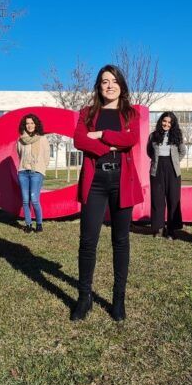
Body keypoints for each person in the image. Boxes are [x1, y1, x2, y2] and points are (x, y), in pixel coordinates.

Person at [71, 64, 143, 322]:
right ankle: (84, 298)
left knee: (120, 241)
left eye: (113, 81)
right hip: (96, 181)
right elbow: (79, 140)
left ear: (121, 85)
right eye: (104, 81)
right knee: (88, 241)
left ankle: (118, 300)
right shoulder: (87, 112)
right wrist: (108, 146)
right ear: (98, 86)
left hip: (121, 181)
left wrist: (101, 135)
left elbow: (131, 139)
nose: (109, 85)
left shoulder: (131, 113)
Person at [147, 111, 186, 239]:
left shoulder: (177, 136)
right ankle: (158, 228)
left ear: (173, 124)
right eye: (164, 121)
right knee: (157, 199)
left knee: (173, 199)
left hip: (173, 170)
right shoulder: (153, 136)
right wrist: (156, 161)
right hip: (157, 169)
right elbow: (149, 151)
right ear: (160, 121)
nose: (166, 124)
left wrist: (174, 162)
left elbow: (182, 152)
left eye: (169, 122)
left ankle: (171, 229)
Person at [17, 113, 50, 233]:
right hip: (23, 172)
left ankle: (39, 224)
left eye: (32, 123)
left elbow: (46, 157)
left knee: (34, 199)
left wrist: (40, 169)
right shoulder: (21, 140)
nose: (29, 125)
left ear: (36, 124)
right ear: (24, 125)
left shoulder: (42, 138)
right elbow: (20, 154)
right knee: (25, 200)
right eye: (27, 123)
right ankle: (28, 224)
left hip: (36, 172)